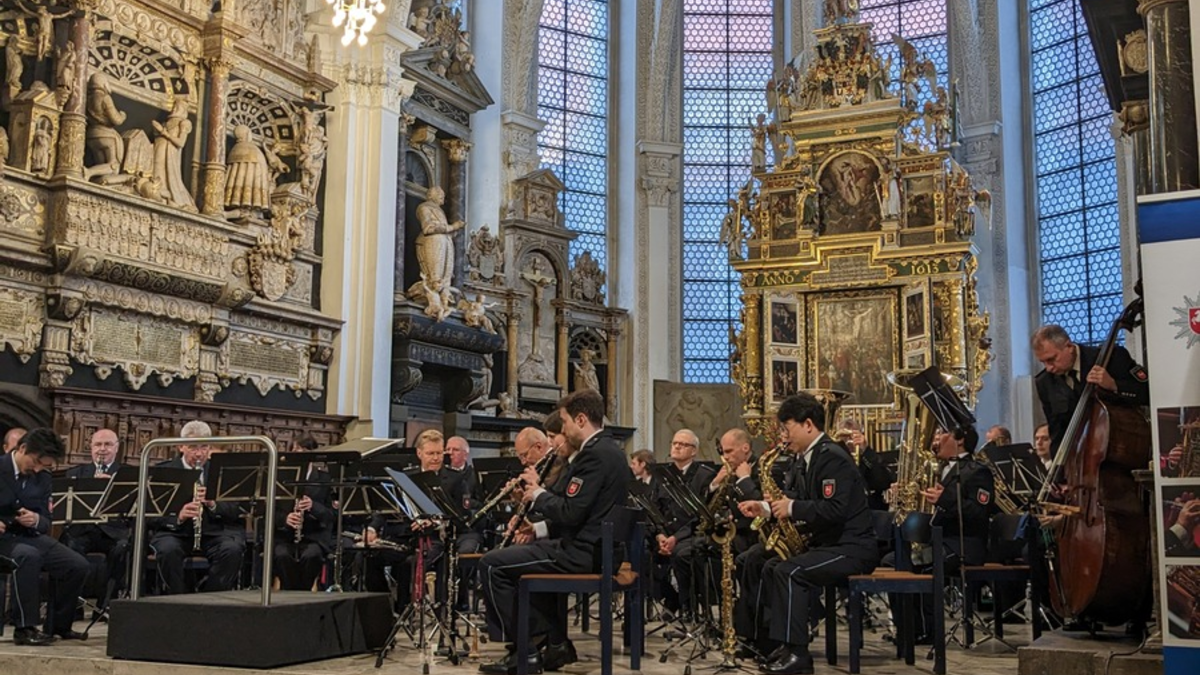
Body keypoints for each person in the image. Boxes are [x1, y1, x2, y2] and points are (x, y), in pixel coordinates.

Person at [478, 389, 628, 675]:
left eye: (565, 422)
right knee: (515, 562)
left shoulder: (594, 456)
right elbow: (581, 512)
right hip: (591, 548)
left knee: (491, 565)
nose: (563, 430)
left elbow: (570, 512)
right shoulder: (608, 451)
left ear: (581, 419)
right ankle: (553, 642)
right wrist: (535, 528)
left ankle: (526, 652)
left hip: (582, 554)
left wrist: (536, 493)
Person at [736, 393, 878, 674]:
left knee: (790, 571)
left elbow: (834, 509)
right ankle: (780, 644)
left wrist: (793, 507)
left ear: (809, 424)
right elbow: (795, 498)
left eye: (787, 428)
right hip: (829, 545)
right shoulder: (806, 458)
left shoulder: (833, 457)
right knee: (771, 566)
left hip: (852, 548)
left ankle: (799, 656)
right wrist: (764, 507)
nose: (784, 436)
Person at [0, 428, 91, 644]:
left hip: (28, 534)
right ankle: (25, 628)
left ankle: (59, 626)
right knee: (27, 555)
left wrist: (36, 520)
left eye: (45, 465)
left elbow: (46, 519)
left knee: (76, 564)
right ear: (22, 448)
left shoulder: (43, 478)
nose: (38, 468)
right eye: (36, 461)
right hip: (3, 538)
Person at [149, 420, 245, 594]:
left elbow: (235, 509)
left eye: (204, 447)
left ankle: (211, 600)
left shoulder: (221, 471)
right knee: (168, 550)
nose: (199, 454)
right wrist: (178, 516)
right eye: (193, 447)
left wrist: (213, 504)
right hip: (175, 532)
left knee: (232, 550)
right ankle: (177, 601)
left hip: (212, 532)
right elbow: (151, 513)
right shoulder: (163, 471)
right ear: (181, 447)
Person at [1032, 324, 1149, 449]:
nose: (1049, 368)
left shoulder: (1112, 357)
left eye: (1052, 359)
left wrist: (1115, 385)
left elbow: (1147, 392)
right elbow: (1056, 432)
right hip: (1079, 458)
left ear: (1069, 347)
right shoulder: (1044, 382)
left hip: (1124, 447)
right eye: (1043, 362)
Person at [61, 429, 130, 613]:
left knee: (122, 548)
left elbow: (132, 509)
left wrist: (113, 487)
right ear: (90, 448)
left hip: (114, 531)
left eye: (108, 444)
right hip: (83, 530)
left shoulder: (127, 474)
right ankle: (72, 606)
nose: (102, 449)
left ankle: (105, 605)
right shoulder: (76, 473)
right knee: (70, 547)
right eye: (98, 445)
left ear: (116, 448)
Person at [653, 428, 717, 618]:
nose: (677, 447)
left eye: (683, 444)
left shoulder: (703, 475)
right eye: (675, 443)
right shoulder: (662, 474)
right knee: (637, 554)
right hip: (664, 534)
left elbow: (700, 515)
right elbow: (654, 509)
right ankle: (671, 599)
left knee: (682, 555)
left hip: (689, 534)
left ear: (694, 451)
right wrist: (659, 535)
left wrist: (675, 538)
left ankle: (688, 607)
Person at [273, 435, 334, 591]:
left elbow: (330, 515)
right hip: (285, 536)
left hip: (313, 537)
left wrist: (313, 506)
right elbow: (269, 511)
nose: (298, 453)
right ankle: (288, 592)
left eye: (303, 450)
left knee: (311, 555)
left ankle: (304, 592)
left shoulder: (324, 479)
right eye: (295, 450)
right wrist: (285, 519)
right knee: (281, 555)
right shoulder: (280, 478)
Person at [151, 98, 196, 210]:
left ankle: (171, 198)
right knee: (157, 175)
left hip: (170, 151)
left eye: (177, 106)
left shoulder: (184, 123)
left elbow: (181, 142)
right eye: (174, 106)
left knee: (169, 175)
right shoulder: (167, 122)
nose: (174, 108)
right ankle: (157, 193)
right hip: (159, 148)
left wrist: (164, 133)